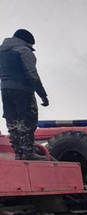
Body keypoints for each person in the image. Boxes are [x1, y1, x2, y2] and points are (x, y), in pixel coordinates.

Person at [0, 29, 48, 160]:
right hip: (23, 91)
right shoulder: (24, 50)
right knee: (28, 120)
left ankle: (19, 153)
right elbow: (32, 74)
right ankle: (28, 153)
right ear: (27, 42)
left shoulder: (2, 51)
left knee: (12, 122)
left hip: (5, 90)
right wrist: (42, 94)